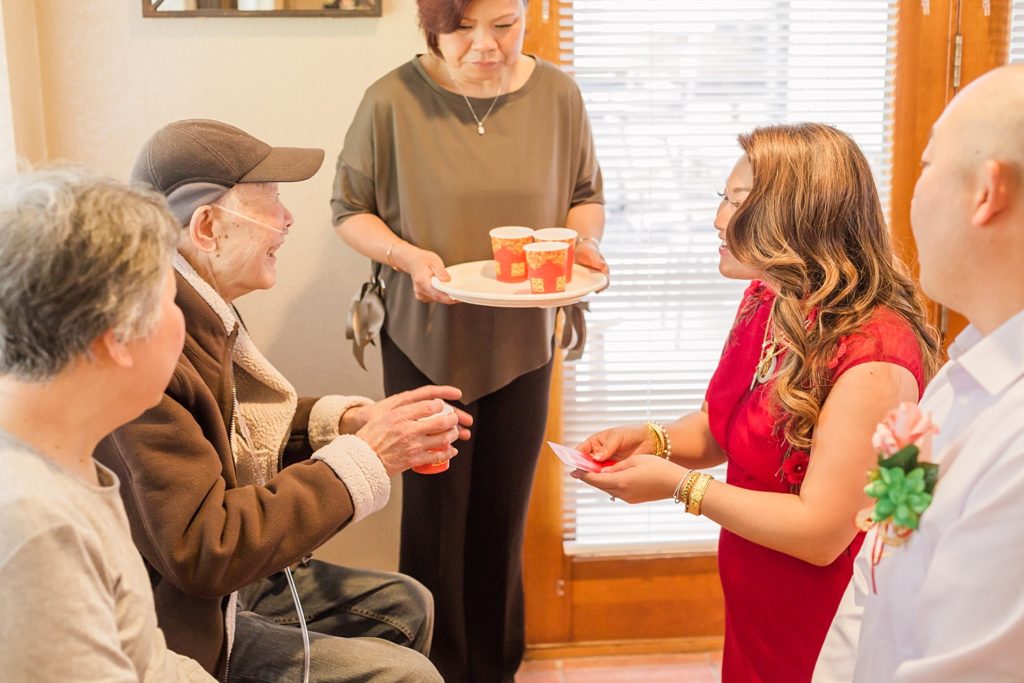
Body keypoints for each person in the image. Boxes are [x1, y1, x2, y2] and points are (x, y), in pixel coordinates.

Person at [96, 119, 472, 683]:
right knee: (406, 675)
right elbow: (205, 551)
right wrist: (367, 458)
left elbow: (229, 430)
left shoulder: (193, 306)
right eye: (269, 198)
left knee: (404, 603)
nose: (288, 218)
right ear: (207, 228)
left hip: (213, 595)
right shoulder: (150, 347)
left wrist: (346, 423)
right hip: (179, 629)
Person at [572, 122, 942, 683]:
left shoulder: (875, 353)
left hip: (824, 609)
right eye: (722, 198)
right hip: (757, 589)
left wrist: (678, 485)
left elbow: (822, 534)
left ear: (799, 216)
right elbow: (727, 430)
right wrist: (655, 439)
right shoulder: (770, 296)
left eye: (737, 202)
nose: (718, 218)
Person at [330, 1, 607, 680]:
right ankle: (430, 670)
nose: (485, 46)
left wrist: (585, 244)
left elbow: (584, 194)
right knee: (433, 523)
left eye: (504, 25)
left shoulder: (560, 96)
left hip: (522, 341)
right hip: (425, 341)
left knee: (502, 519)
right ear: (432, 26)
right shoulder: (390, 100)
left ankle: (495, 667)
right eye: (462, 29)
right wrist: (407, 257)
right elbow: (349, 210)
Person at [813, 64, 1024, 683]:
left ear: (987, 192)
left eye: (928, 165)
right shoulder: (959, 376)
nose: (910, 190)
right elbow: (874, 577)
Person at [0, 168, 214, 681]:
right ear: (116, 334)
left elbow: (146, 658)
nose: (181, 324)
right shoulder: (34, 522)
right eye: (171, 303)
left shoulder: (68, 460)